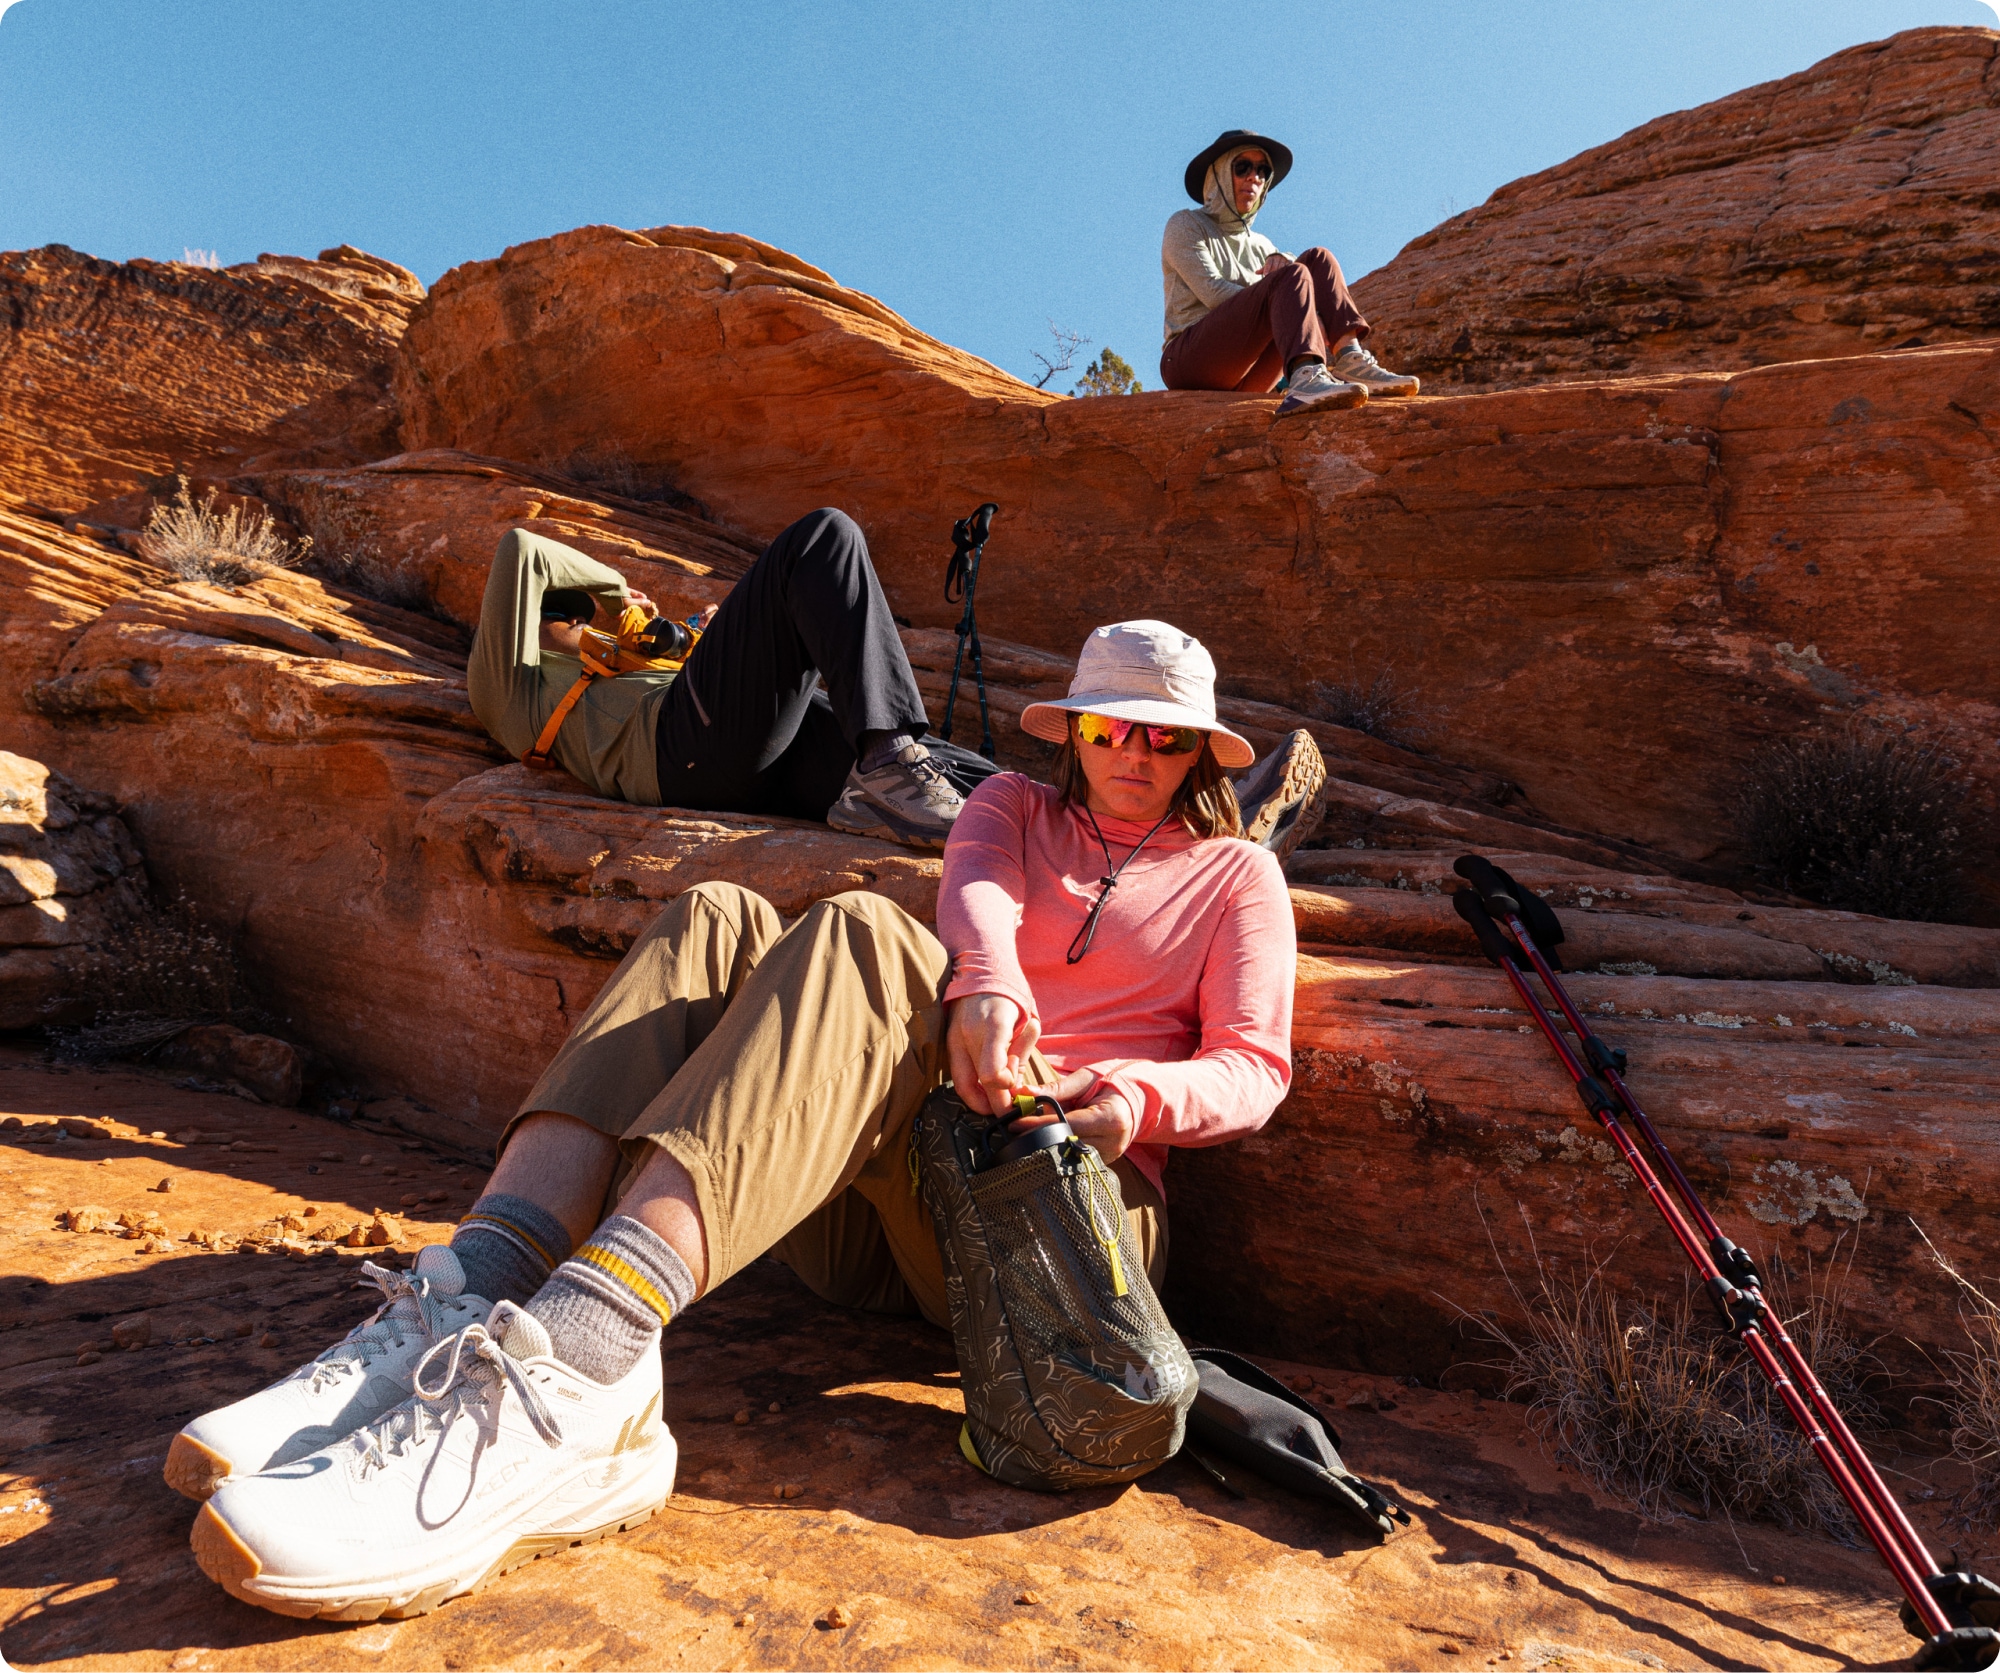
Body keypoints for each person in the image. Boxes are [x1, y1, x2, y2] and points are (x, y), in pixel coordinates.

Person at [173, 619, 1298, 1622]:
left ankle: (584, 1366)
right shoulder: (1011, 807)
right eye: (1112, 728)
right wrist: (988, 988)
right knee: (714, 913)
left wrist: (1123, 1103)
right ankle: (473, 1293)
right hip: (897, 1206)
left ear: (1198, 749)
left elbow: (1252, 1067)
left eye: (1162, 736)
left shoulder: (1235, 874)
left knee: (865, 932)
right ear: (1076, 732)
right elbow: (979, 899)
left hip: (1064, 1223)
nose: (1134, 754)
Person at [465, 506, 965, 849]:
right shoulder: (507, 688)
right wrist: (617, 599)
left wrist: (692, 638)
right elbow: (521, 548)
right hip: (676, 753)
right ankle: (885, 765)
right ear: (525, 623)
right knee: (823, 535)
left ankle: (984, 801)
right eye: (565, 617)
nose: (580, 624)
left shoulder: (624, 662)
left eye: (581, 617)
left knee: (955, 776)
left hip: (748, 758)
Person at [1161, 128, 1420, 416]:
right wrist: (1290, 300)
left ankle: (1350, 359)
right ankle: (1306, 378)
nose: (1254, 178)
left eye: (1262, 170)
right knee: (1291, 278)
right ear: (1219, 174)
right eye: (1242, 167)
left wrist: (1285, 263)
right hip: (1190, 363)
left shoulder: (1263, 245)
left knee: (1319, 259)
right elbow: (1214, 294)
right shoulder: (1186, 225)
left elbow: (1298, 282)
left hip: (1250, 377)